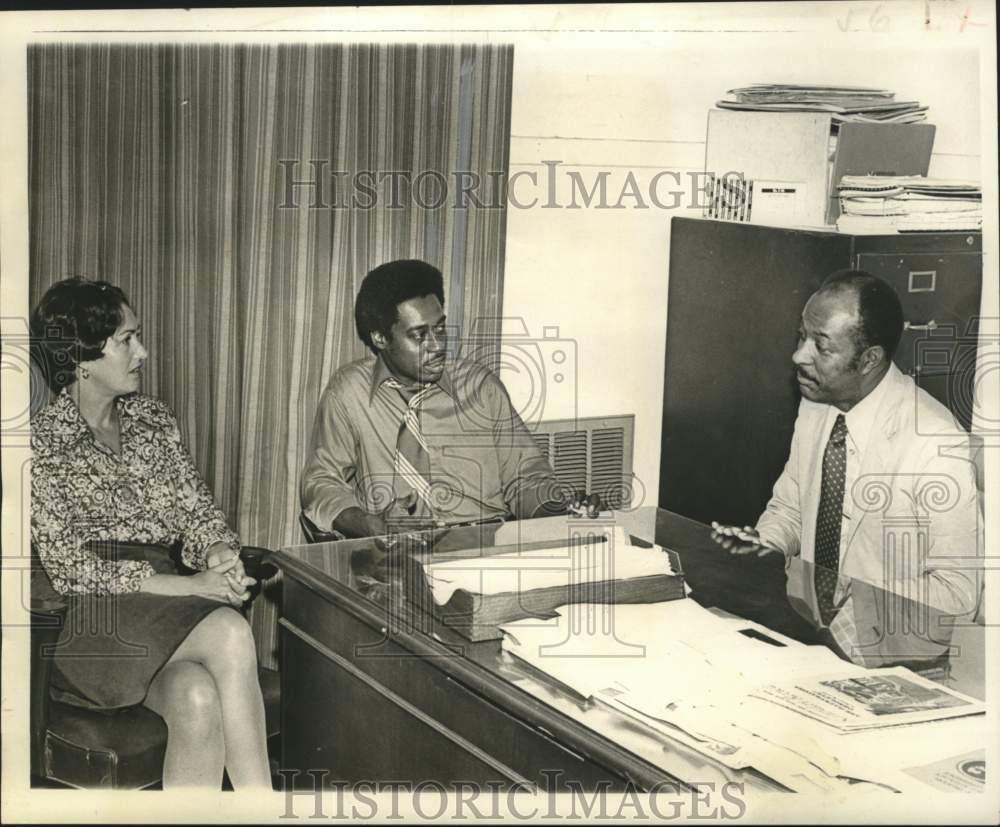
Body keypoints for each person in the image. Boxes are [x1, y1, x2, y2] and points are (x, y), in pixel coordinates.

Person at [30, 278, 271, 790]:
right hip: (94, 620)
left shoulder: (153, 419)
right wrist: (193, 587)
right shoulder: (40, 445)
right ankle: (264, 809)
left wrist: (219, 554)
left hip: (163, 610)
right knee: (230, 631)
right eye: (126, 339)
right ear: (82, 358)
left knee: (196, 697)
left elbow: (196, 511)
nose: (142, 351)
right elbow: (72, 570)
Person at [712, 270, 980, 665]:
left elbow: (958, 591)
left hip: (893, 654)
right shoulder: (817, 404)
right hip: (810, 634)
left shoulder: (935, 443)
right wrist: (764, 548)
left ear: (869, 359)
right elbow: (790, 510)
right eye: (802, 337)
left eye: (821, 346)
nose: (799, 356)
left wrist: (860, 610)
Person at [301, 259, 599, 538]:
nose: (437, 346)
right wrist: (372, 524)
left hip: (486, 549)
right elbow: (321, 482)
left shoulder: (480, 388)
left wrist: (562, 509)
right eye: (419, 335)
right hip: (398, 554)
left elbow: (525, 479)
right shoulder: (349, 393)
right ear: (380, 338)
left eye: (440, 328)